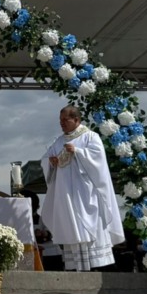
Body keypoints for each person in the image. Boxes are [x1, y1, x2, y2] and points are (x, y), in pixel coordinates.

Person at [40, 105, 125, 271]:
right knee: (72, 226)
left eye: (66, 120)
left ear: (77, 120)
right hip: (67, 196)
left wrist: (78, 151)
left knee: (90, 225)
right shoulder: (59, 141)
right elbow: (46, 159)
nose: (62, 124)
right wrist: (51, 162)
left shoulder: (90, 137)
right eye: (60, 121)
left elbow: (99, 160)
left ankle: (98, 267)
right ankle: (76, 266)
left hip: (85, 194)